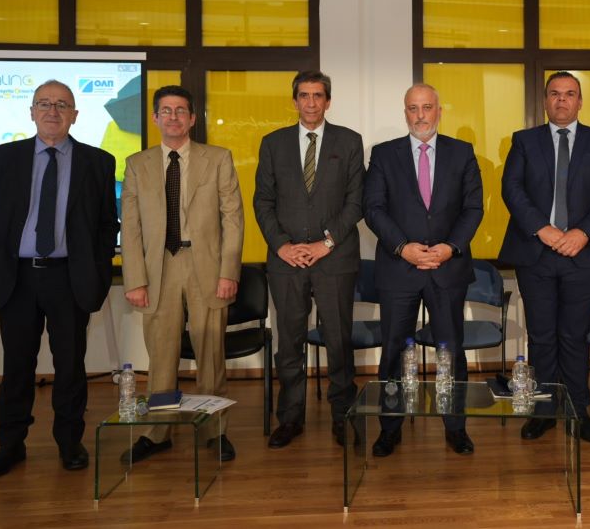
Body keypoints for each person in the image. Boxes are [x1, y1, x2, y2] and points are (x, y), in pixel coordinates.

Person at [0, 80, 119, 480]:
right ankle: (10, 445)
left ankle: (70, 442)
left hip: (69, 278)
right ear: (32, 112)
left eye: (62, 105)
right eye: (45, 104)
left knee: (70, 365)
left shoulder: (99, 162)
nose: (53, 111)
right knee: (16, 366)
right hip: (17, 278)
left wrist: (98, 274)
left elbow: (107, 225)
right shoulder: (4, 158)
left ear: (75, 115)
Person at [120, 85, 244, 463]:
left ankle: (214, 431)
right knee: (161, 358)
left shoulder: (218, 158)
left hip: (207, 266)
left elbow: (233, 219)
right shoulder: (137, 164)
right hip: (158, 269)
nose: (173, 117)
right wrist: (135, 279)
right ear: (155, 118)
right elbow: (131, 227)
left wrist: (229, 272)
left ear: (192, 119)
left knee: (211, 356)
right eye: (166, 111)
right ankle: (158, 432)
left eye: (180, 111)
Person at [499, 71, 590, 444]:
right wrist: (543, 229)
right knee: (541, 336)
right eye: (555, 93)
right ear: (545, 100)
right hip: (536, 253)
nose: (562, 100)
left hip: (583, 254)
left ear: (580, 101)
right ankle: (543, 412)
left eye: (570, 94)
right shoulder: (524, 141)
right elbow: (512, 189)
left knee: (574, 336)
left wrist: (582, 233)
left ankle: (578, 411)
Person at [364, 83, 483, 457]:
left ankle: (456, 427)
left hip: (447, 269)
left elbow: (473, 208)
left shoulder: (462, 153)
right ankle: (390, 427)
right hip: (399, 269)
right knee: (393, 352)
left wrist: (450, 248)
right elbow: (373, 209)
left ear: (439, 111)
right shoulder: (384, 154)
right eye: (413, 108)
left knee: (451, 351)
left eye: (427, 107)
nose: (420, 115)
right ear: (405, 112)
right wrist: (404, 248)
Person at [253, 70, 364, 449]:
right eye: (304, 95)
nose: (311, 102)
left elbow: (356, 202)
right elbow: (263, 201)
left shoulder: (349, 141)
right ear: (295, 100)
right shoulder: (273, 143)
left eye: (318, 95)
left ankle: (343, 416)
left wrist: (326, 243)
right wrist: (282, 245)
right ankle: (290, 418)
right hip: (286, 261)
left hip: (335, 259)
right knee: (289, 342)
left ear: (328, 101)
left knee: (338, 341)